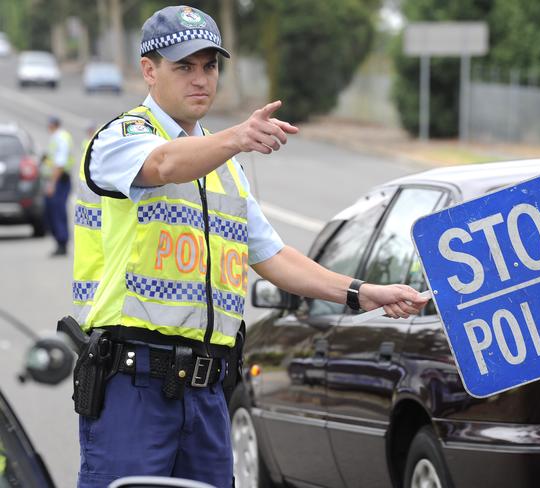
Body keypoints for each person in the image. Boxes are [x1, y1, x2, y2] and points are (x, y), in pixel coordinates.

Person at [71, 5, 428, 487]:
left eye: (210, 66)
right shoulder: (123, 137)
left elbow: (274, 258)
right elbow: (163, 165)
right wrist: (236, 136)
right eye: (184, 66)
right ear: (148, 71)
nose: (201, 79)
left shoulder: (225, 168)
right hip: (134, 388)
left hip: (207, 392)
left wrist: (362, 292)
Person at [43, 116, 73, 256]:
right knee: (53, 211)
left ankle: (62, 242)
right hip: (56, 180)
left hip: (59, 180)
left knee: (58, 211)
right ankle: (59, 241)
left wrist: (52, 184)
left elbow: (59, 164)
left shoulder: (61, 137)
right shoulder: (56, 137)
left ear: (53, 125)